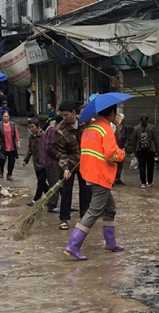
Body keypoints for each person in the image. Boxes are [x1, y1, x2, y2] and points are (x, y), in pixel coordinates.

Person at [63, 104, 125, 260]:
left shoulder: (90, 128)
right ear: (112, 113)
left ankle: (110, 243)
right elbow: (111, 154)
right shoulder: (105, 129)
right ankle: (73, 245)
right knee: (94, 212)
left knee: (110, 208)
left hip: (89, 174)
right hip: (101, 176)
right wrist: (121, 154)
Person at [56, 100, 90, 231]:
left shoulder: (86, 123)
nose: (64, 118)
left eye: (66, 115)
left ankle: (85, 217)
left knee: (85, 190)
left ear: (73, 113)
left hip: (84, 163)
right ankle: (64, 218)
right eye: (62, 115)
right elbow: (60, 151)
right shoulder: (60, 129)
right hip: (69, 164)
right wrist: (65, 168)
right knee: (66, 191)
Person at [41, 114, 64, 213]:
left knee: (63, 184)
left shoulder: (59, 129)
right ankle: (52, 205)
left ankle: (66, 203)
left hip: (59, 162)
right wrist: (61, 155)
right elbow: (49, 148)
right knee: (54, 184)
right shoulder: (52, 130)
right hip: (52, 162)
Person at [23, 118, 47, 206]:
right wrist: (26, 160)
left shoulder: (44, 135)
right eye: (30, 127)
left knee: (40, 182)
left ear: (38, 126)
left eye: (33, 127)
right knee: (42, 183)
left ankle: (36, 200)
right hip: (36, 164)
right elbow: (30, 150)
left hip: (45, 164)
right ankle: (50, 197)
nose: (31, 129)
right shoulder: (31, 137)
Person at [132, 113, 159, 188]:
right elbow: (156, 139)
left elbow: (134, 140)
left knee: (141, 166)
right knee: (150, 166)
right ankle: (150, 182)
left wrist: (134, 151)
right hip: (150, 150)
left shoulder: (136, 128)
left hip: (140, 150)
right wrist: (157, 150)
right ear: (147, 119)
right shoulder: (151, 127)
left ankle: (143, 183)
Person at [0, 111, 21, 180]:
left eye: (7, 116)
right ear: (2, 117)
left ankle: (9, 174)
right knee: (2, 160)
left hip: (11, 145)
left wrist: (18, 142)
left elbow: (16, 134)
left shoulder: (13, 124)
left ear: (9, 117)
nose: (6, 118)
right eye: (4, 116)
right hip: (3, 145)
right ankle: (1, 171)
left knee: (12, 161)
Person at [114, 115, 128, 185]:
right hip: (114, 148)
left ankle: (117, 178)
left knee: (120, 164)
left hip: (121, 148)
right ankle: (113, 178)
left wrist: (124, 147)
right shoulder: (113, 127)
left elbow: (126, 138)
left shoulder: (125, 127)